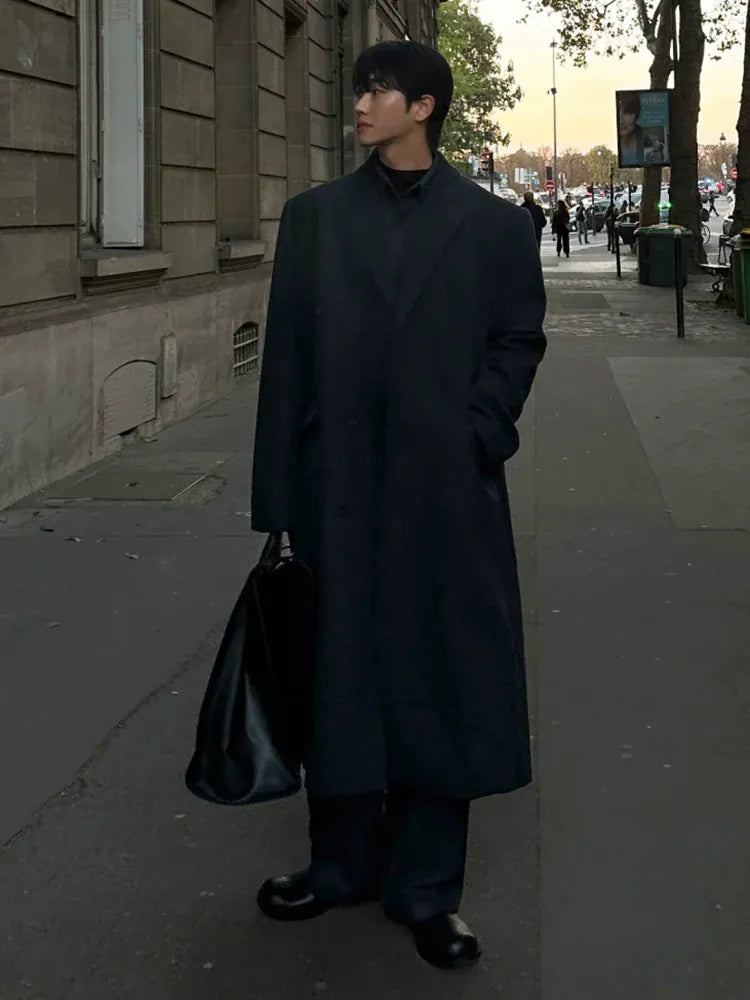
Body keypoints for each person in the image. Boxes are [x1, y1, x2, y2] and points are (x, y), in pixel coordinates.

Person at [250, 40, 546, 972]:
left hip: (445, 498)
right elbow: (285, 365)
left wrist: (476, 433)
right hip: (334, 494)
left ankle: (426, 892)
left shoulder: (493, 227)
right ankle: (337, 865)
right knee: (337, 678)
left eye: (377, 90)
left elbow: (518, 341)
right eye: (360, 90)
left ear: (424, 107)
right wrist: (277, 501)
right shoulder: (314, 219)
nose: (360, 104)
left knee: (439, 680)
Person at [617, 91, 645, 167]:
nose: (621, 121)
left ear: (636, 114)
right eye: (618, 113)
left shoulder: (647, 137)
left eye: (627, 113)